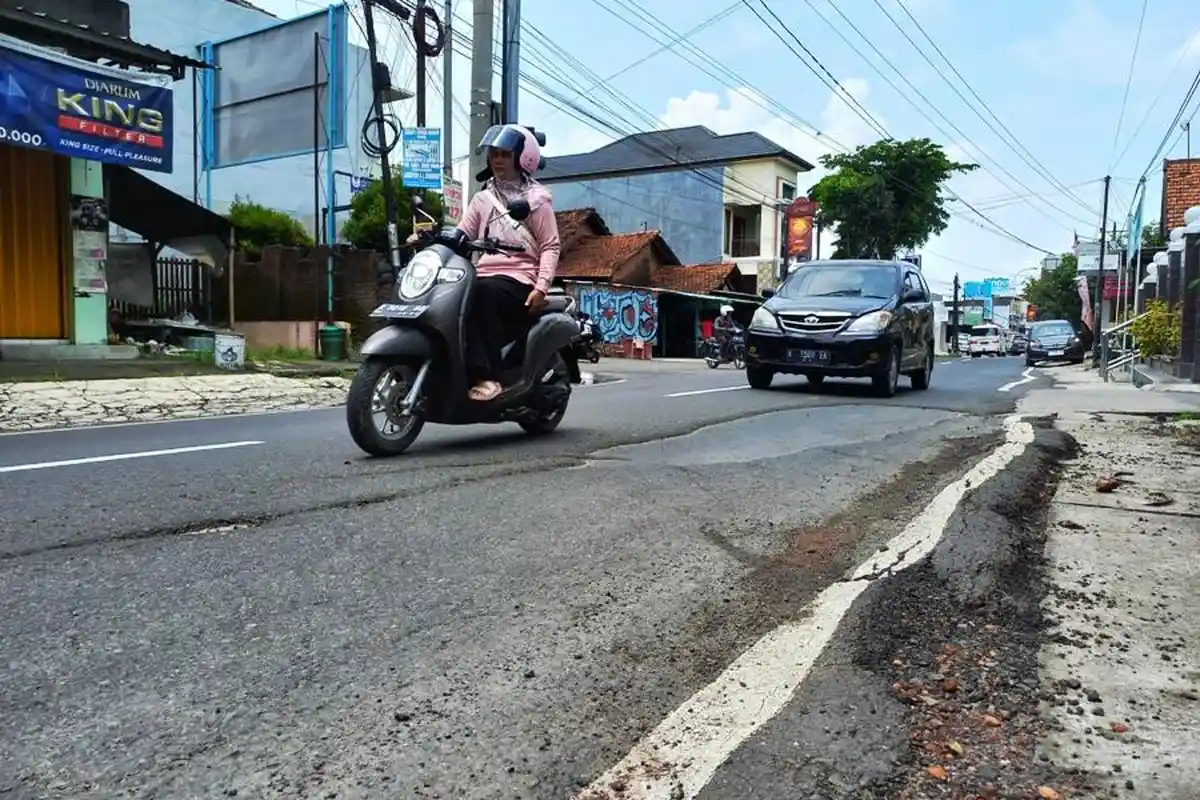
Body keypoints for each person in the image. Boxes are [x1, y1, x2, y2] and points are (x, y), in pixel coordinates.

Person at [407, 124, 561, 401]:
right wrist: (427, 237)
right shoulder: (483, 198)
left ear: (521, 158)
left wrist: (541, 287)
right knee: (448, 295)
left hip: (521, 279)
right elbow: (461, 233)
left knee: (481, 294)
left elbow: (550, 246)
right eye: (494, 154)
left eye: (504, 154)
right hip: (484, 275)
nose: (497, 160)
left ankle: (489, 376)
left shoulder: (536, 201)